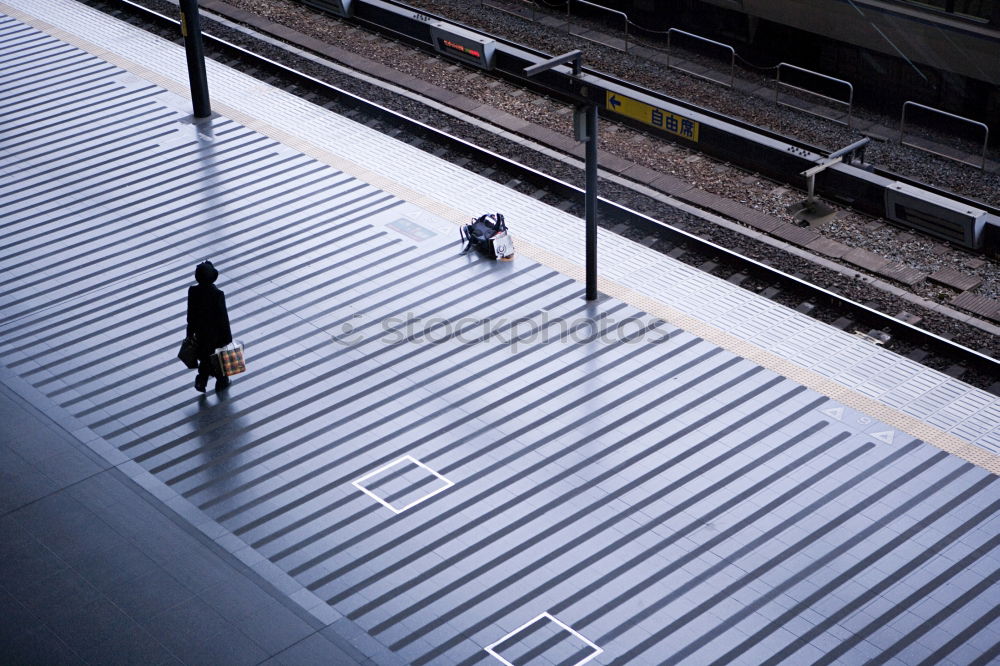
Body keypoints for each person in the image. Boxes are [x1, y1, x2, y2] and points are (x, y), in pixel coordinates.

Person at [186, 260, 233, 392]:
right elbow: (223, 318)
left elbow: (191, 313)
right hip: (215, 335)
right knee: (217, 358)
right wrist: (227, 337)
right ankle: (221, 381)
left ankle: (202, 380)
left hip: (199, 332)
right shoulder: (217, 294)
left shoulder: (193, 291)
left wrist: (190, 332)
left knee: (205, 357)